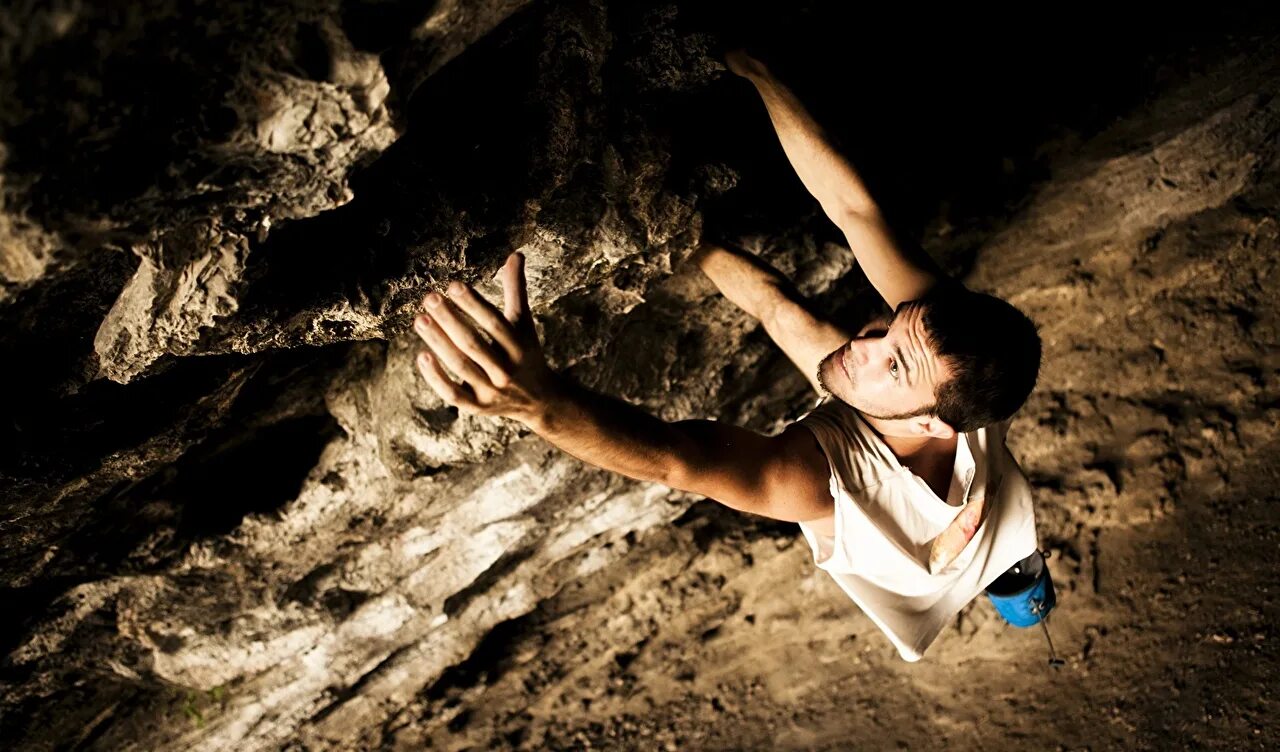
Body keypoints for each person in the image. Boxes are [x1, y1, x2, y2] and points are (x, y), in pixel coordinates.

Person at [411, 50, 1043, 661]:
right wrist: (757, 69)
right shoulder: (944, 352)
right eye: (885, 331)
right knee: (792, 317)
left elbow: (680, 460)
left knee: (1005, 559)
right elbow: (852, 211)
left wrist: (540, 403)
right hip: (964, 481)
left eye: (893, 364)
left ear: (933, 422)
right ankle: (1014, 570)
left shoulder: (827, 488)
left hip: (925, 567)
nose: (864, 345)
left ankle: (1019, 583)